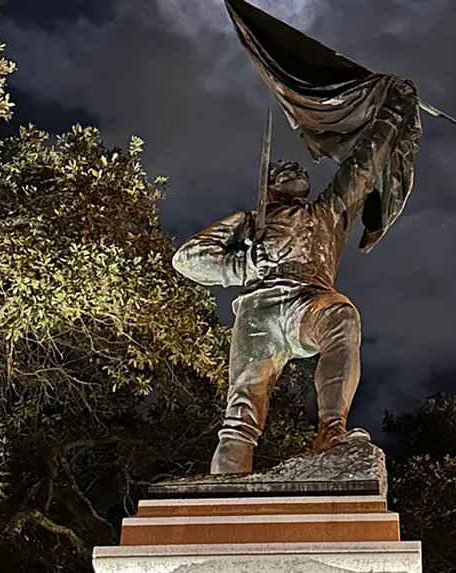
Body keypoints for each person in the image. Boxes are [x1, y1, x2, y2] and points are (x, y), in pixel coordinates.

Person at [172, 78, 421, 474]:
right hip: (260, 312)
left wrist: (393, 110)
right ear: (268, 188)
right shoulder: (250, 221)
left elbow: (364, 164)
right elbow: (187, 258)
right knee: (240, 412)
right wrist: (242, 265)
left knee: (342, 316)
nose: (292, 167)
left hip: (308, 302)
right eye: (282, 169)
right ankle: (225, 488)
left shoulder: (328, 213)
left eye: (297, 166)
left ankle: (331, 431)